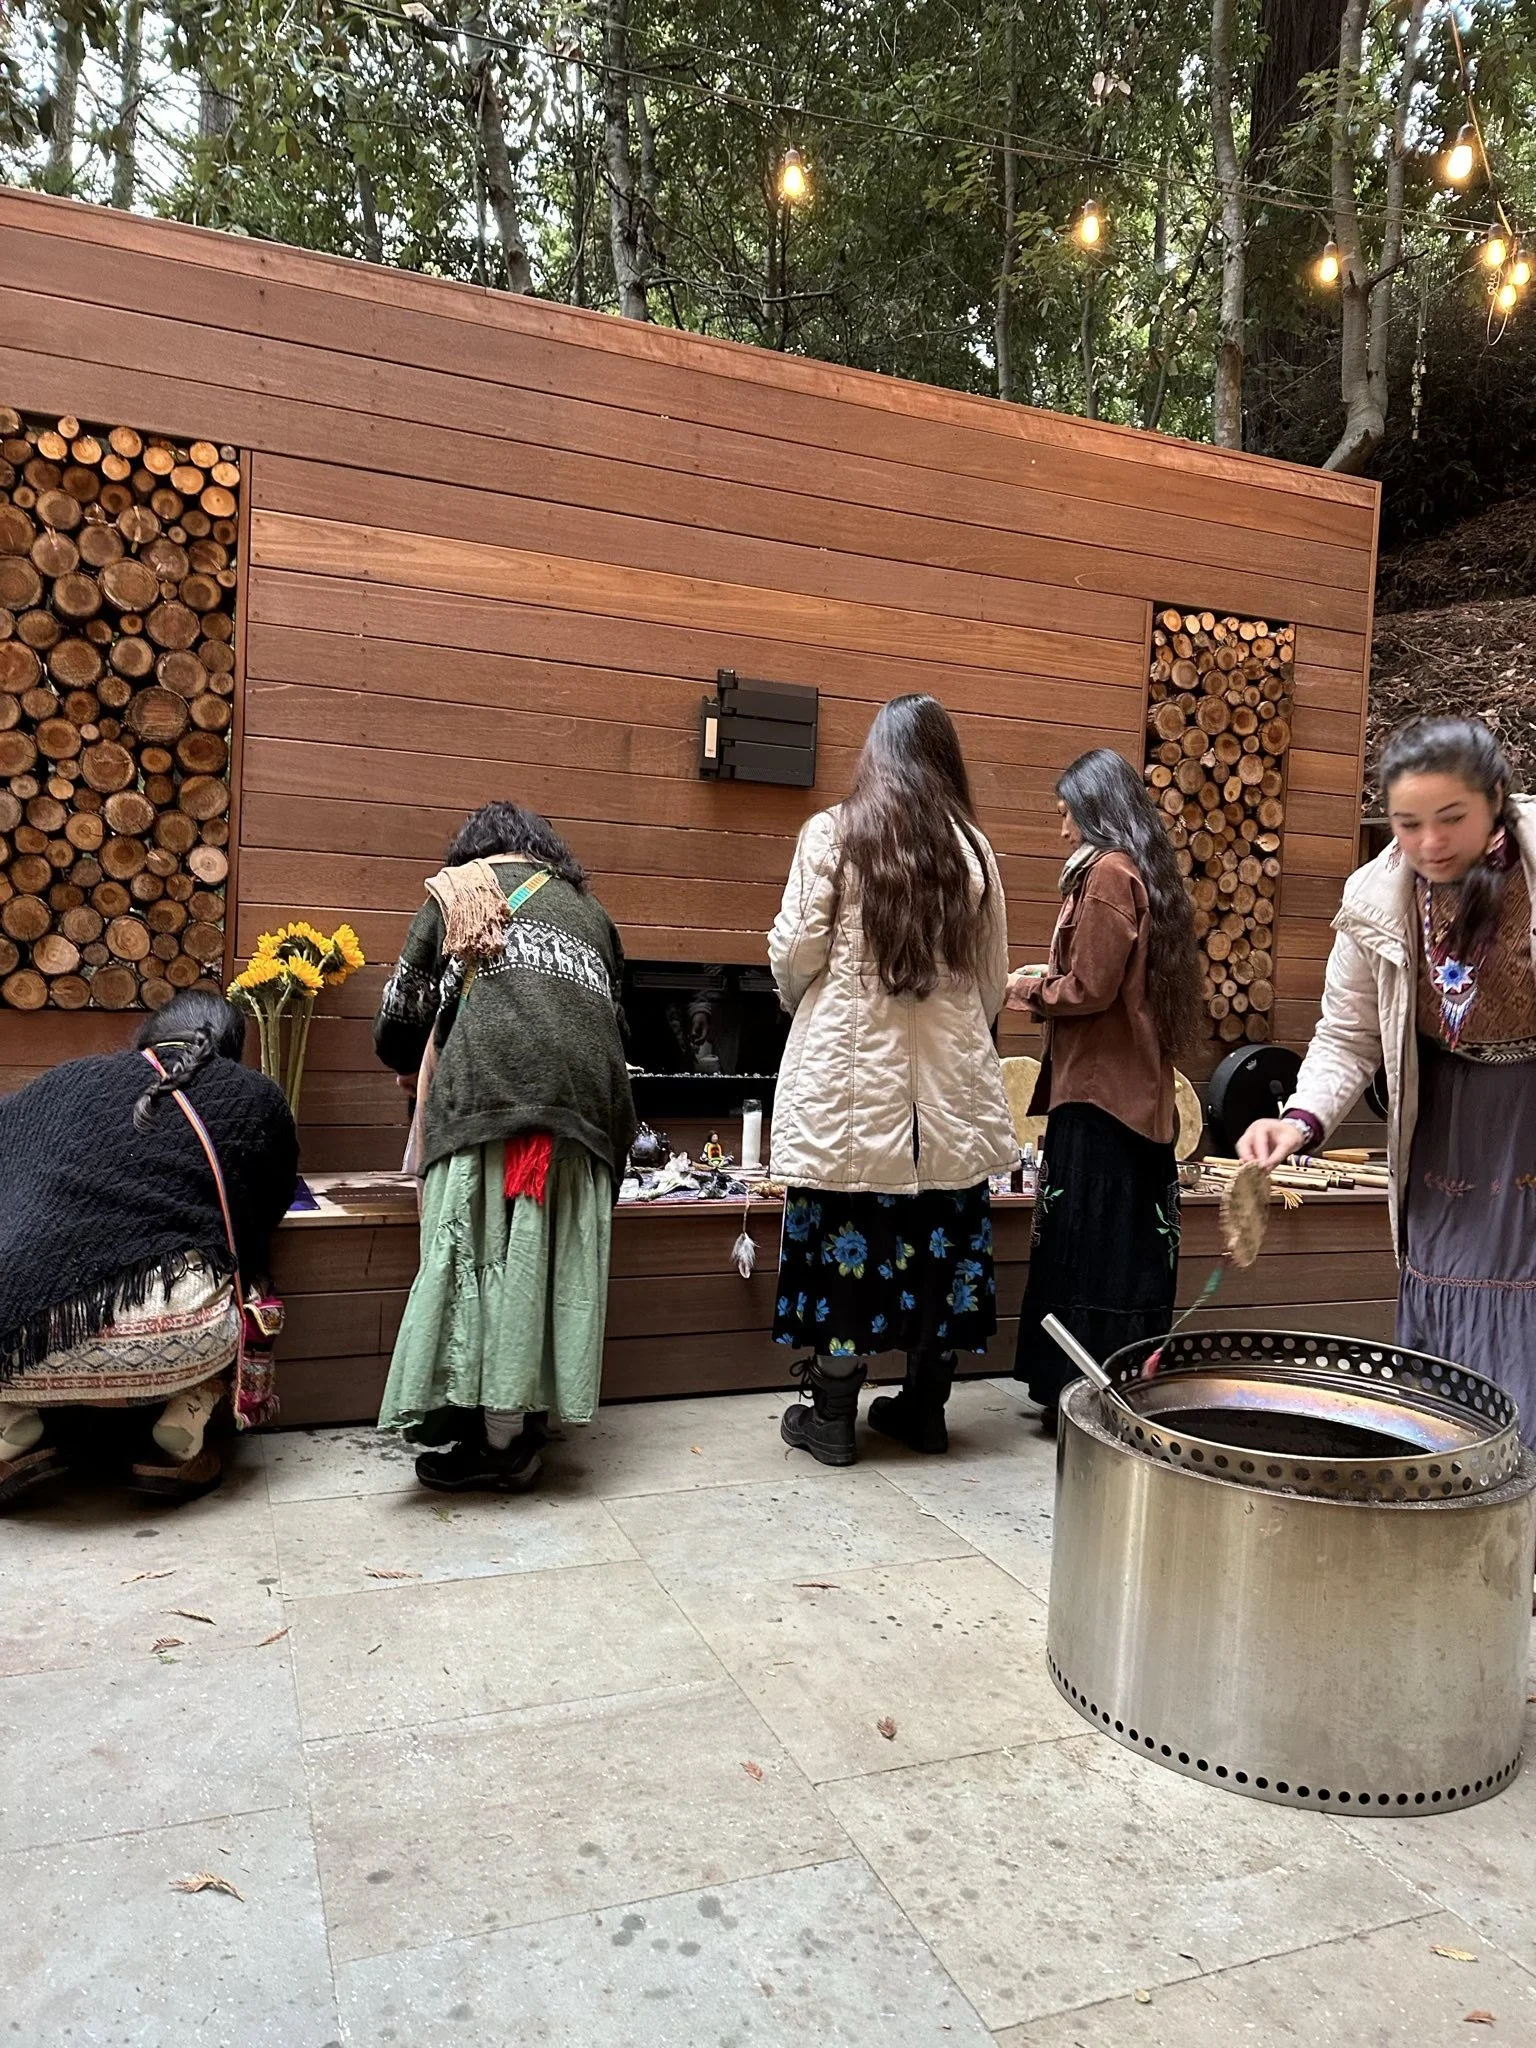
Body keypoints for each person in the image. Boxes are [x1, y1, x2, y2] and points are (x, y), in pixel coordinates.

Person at [1240, 716, 1536, 1440]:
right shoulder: (1376, 899)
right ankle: (1463, 1490)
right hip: (1444, 1124)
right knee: (1446, 1293)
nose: (1429, 843)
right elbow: (1347, 1036)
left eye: (1451, 818)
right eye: (1407, 824)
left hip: (1527, 1121)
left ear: (1497, 798)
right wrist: (1300, 1119)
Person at [767, 693, 1016, 1464]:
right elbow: (994, 977)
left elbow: (795, 952)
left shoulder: (831, 835)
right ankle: (925, 1410)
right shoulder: (971, 849)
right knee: (937, 1240)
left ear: (873, 755)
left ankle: (833, 1419)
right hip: (946, 1091)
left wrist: (811, 1003)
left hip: (850, 1087)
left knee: (850, 1239)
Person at [374, 801, 635, 1491]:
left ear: (473, 849)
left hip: (490, 1097)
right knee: (535, 1267)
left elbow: (397, 1029)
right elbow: (620, 1024)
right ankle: (514, 1429)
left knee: (475, 1261)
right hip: (587, 1114)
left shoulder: (457, 890)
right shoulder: (591, 911)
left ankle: (494, 1444)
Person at [0, 991, 298, 1508]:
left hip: (19, 1340)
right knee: (245, 1266)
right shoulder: (254, 1094)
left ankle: (11, 1422)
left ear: (146, 1036)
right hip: (178, 1336)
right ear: (231, 1048)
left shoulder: (59, 1083)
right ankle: (187, 1417)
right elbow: (265, 1210)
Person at [1007, 747, 1202, 1434]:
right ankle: (1107, 1385)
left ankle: (1077, 1389)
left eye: (1066, 815)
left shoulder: (1108, 874)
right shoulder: (1139, 870)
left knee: (1087, 1245)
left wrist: (1025, 988)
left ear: (1092, 810)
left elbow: (1088, 989)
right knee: (1120, 1247)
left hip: (1099, 1099)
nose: (1061, 831)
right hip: (1125, 1095)